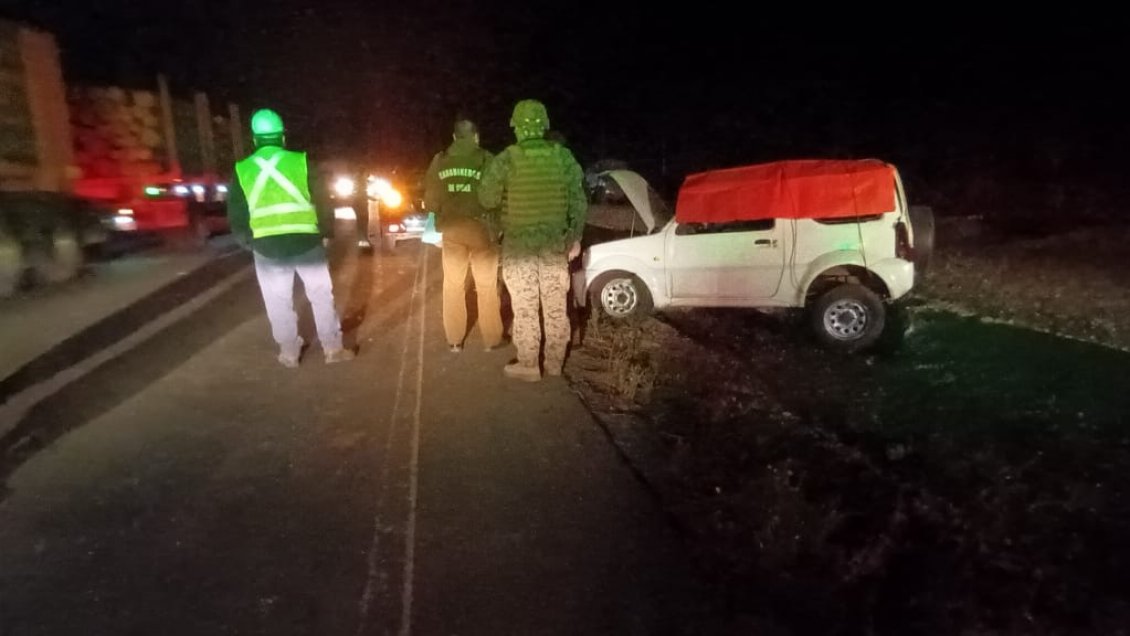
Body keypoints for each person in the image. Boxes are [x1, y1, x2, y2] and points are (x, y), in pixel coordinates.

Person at [227, 108, 354, 367]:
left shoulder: (242, 170)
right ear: (282, 137)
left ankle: (289, 353)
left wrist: (247, 241)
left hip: (267, 247)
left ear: (254, 139)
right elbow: (322, 200)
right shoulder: (301, 161)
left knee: (278, 301)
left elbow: (236, 212)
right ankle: (332, 349)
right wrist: (326, 232)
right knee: (321, 296)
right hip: (306, 242)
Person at [478, 99, 586, 382]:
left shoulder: (508, 158)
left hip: (519, 246)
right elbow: (578, 202)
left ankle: (528, 363)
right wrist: (575, 238)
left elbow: (486, 198)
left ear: (516, 127)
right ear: (545, 125)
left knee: (525, 306)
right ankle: (553, 362)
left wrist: (505, 202)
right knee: (555, 305)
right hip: (554, 244)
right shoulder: (563, 157)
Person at [423, 119, 502, 353]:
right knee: (487, 285)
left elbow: (431, 201)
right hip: (482, 231)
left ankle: (455, 340)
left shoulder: (440, 160)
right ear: (475, 137)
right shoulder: (488, 159)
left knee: (453, 285)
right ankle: (492, 340)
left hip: (452, 231)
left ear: (455, 137)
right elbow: (496, 196)